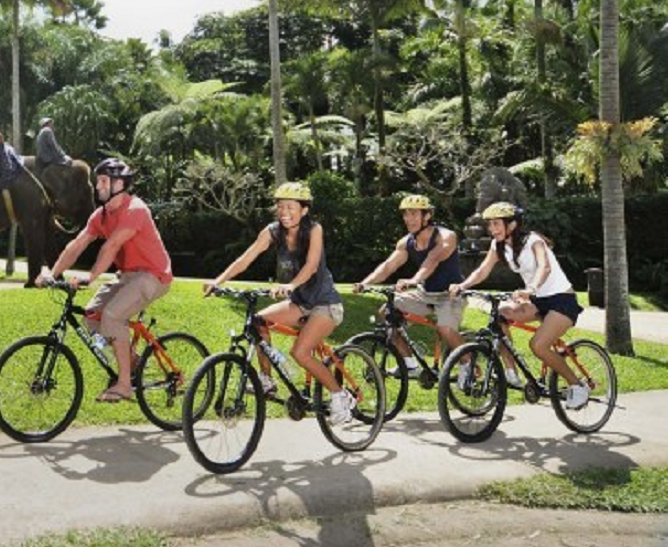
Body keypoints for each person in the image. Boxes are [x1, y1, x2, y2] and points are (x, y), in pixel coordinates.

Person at [202, 182, 356, 425]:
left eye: (290, 207)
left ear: (304, 210)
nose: (284, 212)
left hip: (325, 303)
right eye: (280, 206)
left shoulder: (314, 229)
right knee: (257, 322)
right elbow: (245, 259)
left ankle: (341, 396)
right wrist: (217, 281)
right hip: (300, 302)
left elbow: (311, 265)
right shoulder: (273, 231)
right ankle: (266, 380)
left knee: (300, 352)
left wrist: (291, 285)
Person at [37, 157, 173, 403]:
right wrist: (52, 274)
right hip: (127, 276)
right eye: (97, 181)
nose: (97, 186)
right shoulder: (101, 215)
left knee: (112, 315)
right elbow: (77, 244)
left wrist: (91, 277)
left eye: (102, 181)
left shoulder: (135, 209)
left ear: (119, 184)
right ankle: (133, 362)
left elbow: (111, 246)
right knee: (92, 317)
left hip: (153, 275)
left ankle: (124, 385)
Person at [449, 202, 589, 409]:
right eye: (490, 224)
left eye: (496, 224)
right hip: (537, 301)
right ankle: (511, 373)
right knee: (499, 315)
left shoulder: (533, 241)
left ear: (512, 224)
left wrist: (531, 288)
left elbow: (544, 267)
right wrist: (462, 285)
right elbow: (482, 270)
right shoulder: (498, 246)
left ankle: (577, 386)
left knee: (538, 345)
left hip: (561, 300)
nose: (492, 229)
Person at [353, 194, 466, 376]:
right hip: (424, 294)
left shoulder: (446, 237)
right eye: (405, 214)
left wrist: (413, 280)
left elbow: (432, 261)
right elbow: (388, 266)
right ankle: (410, 364)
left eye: (413, 214)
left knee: (445, 328)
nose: (408, 218)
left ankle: (468, 366)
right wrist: (365, 283)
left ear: (427, 216)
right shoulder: (407, 242)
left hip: (450, 295)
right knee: (388, 314)